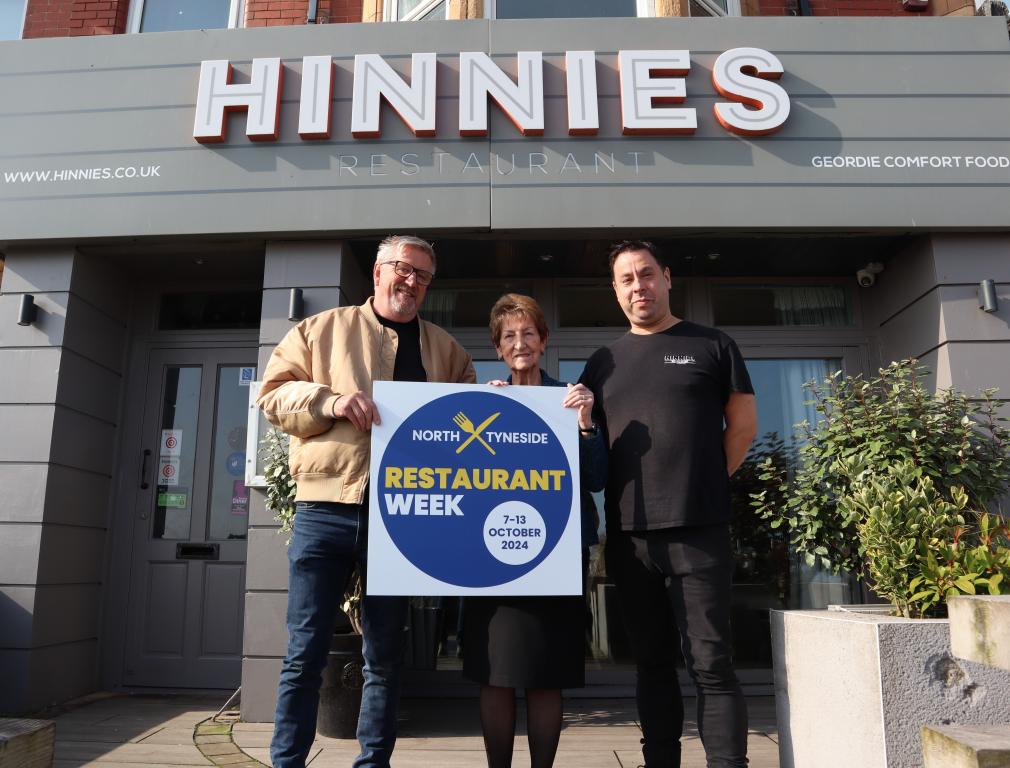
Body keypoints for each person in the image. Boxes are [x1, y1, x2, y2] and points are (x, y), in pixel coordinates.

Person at [258, 235, 476, 768]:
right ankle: (287, 762)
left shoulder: (447, 350)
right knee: (304, 653)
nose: (412, 282)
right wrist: (329, 399)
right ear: (377, 272)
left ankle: (372, 762)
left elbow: (468, 415)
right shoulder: (319, 329)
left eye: (423, 276)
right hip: (326, 508)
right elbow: (272, 396)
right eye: (404, 269)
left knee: (384, 655)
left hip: (401, 517)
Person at [579, 241, 758, 768]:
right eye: (627, 279)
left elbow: (742, 428)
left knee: (710, 662)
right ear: (615, 290)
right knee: (651, 664)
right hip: (630, 537)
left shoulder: (712, 345)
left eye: (646, 274)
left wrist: (699, 483)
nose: (639, 287)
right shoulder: (602, 362)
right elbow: (584, 438)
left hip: (699, 530)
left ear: (667, 277)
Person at [462, 293, 606, 768]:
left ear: (543, 342)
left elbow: (598, 479)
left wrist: (586, 424)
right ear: (498, 349)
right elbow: (466, 477)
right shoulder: (484, 404)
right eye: (509, 336)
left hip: (558, 554)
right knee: (496, 674)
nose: (519, 343)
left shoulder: (572, 399)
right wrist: (488, 419)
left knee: (548, 674)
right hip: (492, 553)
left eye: (528, 333)